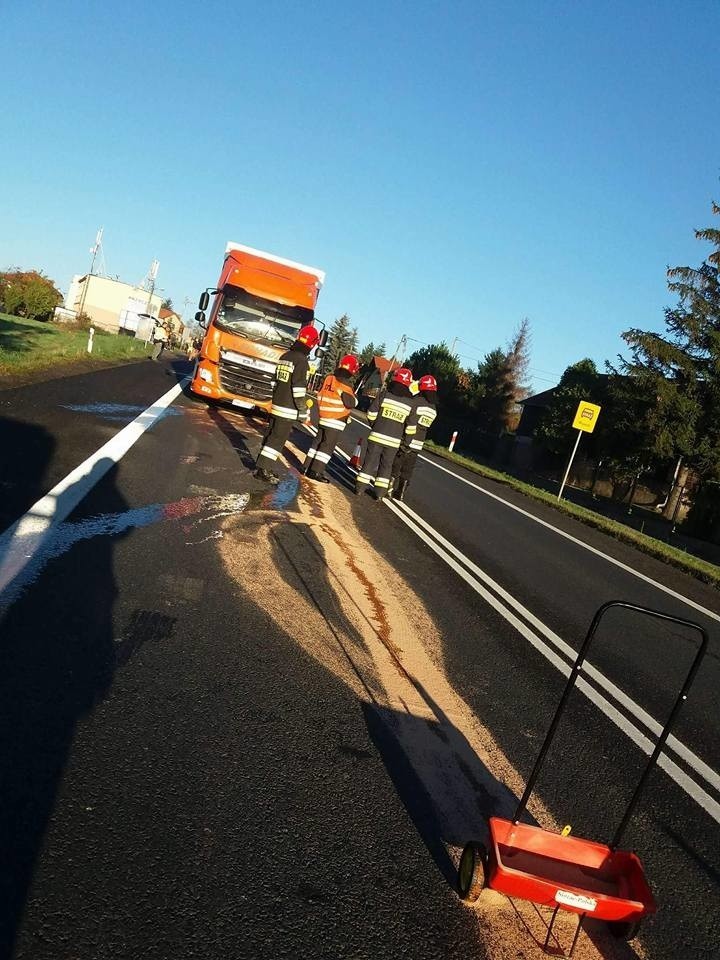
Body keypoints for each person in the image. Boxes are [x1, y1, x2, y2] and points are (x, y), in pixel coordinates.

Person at [254, 325, 320, 484]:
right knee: (277, 440)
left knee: (270, 436)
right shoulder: (302, 361)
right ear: (312, 343)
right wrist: (303, 411)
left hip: (276, 404)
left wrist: (277, 397)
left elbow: (273, 382)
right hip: (287, 409)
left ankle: (261, 466)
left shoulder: (285, 356)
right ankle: (264, 470)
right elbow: (298, 390)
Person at [355, 367, 416, 500]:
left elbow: (371, 414)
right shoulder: (410, 403)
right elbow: (411, 428)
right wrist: (406, 443)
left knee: (369, 462)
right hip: (394, 442)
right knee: (386, 467)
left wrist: (375, 426)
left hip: (376, 436)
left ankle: (359, 488)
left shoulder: (384, 394)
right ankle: (379, 494)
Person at [304, 354, 360, 482]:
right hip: (336, 419)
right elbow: (350, 403)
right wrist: (356, 399)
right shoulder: (345, 385)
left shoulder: (329, 378)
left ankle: (306, 466)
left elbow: (321, 393)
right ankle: (316, 471)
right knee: (326, 447)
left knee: (317, 443)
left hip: (323, 416)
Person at [389, 373, 438, 501]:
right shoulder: (433, 409)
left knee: (396, 464)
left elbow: (408, 418)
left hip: (407, 440)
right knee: (408, 469)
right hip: (418, 444)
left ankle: (389, 487)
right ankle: (401, 492)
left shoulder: (416, 402)